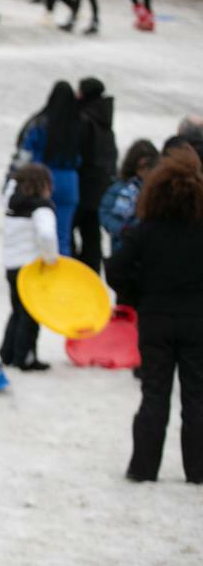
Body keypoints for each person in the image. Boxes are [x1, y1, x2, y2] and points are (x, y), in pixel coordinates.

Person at [106, 148, 203, 485]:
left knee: (154, 394)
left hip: (155, 320)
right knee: (197, 396)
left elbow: (115, 268)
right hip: (197, 322)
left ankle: (143, 468)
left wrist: (137, 295)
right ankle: (198, 470)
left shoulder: (144, 231)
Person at [1, 164, 59, 371]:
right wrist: (51, 258)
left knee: (17, 311)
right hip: (32, 268)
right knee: (31, 314)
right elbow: (46, 235)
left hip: (11, 265)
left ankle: (7, 353)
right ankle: (24, 356)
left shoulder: (13, 207)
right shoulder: (42, 209)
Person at [15, 81, 83, 256]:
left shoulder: (41, 123)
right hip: (70, 182)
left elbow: (25, 153)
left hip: (43, 180)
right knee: (63, 236)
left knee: (41, 233)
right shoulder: (78, 124)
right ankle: (61, 277)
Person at [73, 77, 117, 273]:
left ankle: (75, 273)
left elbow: (77, 154)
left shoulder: (84, 120)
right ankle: (91, 276)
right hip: (100, 189)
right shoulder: (104, 120)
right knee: (92, 237)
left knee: (68, 232)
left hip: (83, 187)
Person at [100, 140, 160, 253]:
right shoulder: (118, 188)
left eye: (150, 167)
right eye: (142, 167)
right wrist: (122, 229)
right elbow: (105, 213)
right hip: (122, 246)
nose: (146, 172)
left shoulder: (159, 189)